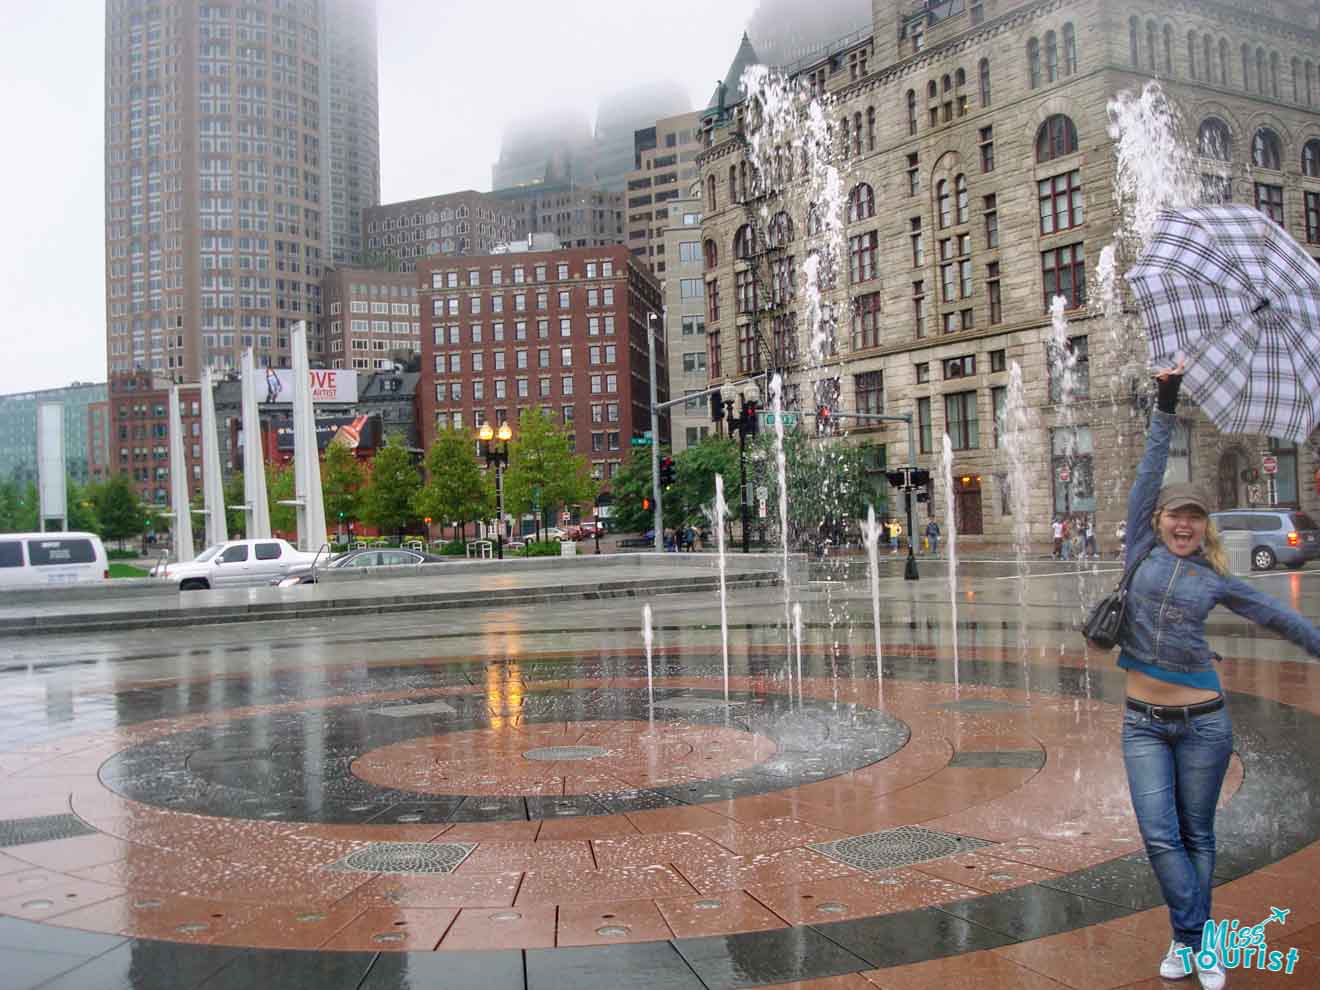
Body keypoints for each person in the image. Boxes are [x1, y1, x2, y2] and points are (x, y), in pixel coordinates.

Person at [1116, 363, 1320, 990]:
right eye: (1176, 513)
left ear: (1206, 527)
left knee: (1197, 834)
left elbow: (1281, 619)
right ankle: (1203, 938)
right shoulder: (1140, 553)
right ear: (1158, 519)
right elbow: (1151, 470)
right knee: (1159, 836)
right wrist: (1166, 399)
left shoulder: (1217, 580)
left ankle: (1188, 943)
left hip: (1205, 726)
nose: (1183, 523)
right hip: (1142, 725)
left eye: (1195, 517)